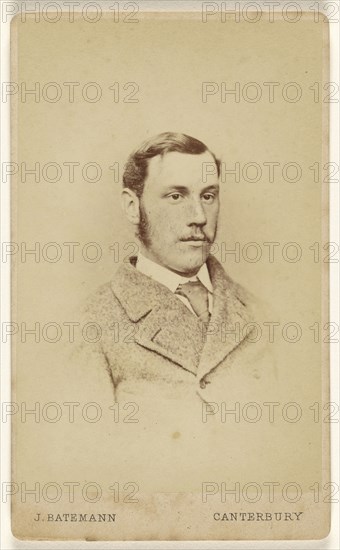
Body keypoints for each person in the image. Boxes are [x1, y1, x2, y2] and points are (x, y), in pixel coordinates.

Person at [78, 132, 276, 410]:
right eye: (175, 196)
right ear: (133, 207)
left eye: (208, 196)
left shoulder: (263, 315)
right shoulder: (90, 326)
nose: (199, 216)